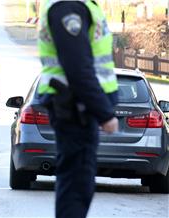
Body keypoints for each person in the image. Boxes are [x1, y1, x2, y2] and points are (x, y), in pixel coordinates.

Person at [37, 1, 119, 217]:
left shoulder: (78, 5)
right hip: (75, 107)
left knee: (78, 184)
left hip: (77, 107)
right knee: (76, 187)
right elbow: (78, 66)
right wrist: (105, 113)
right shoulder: (68, 6)